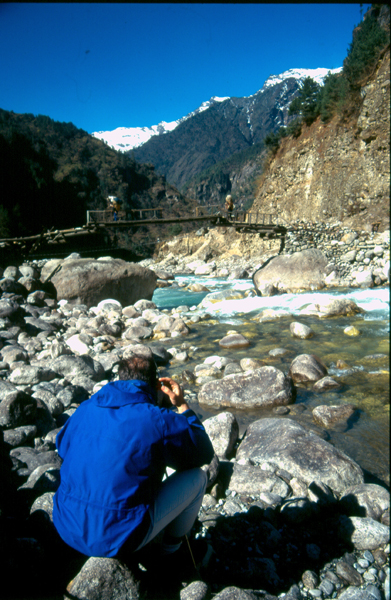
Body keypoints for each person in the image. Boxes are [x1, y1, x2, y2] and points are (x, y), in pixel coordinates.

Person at [52, 355, 214, 568]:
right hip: (120, 537)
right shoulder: (157, 418)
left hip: (66, 525)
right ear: (157, 385)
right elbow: (203, 453)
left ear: (119, 379)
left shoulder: (86, 407)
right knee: (198, 478)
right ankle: (171, 554)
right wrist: (182, 405)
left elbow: (62, 447)